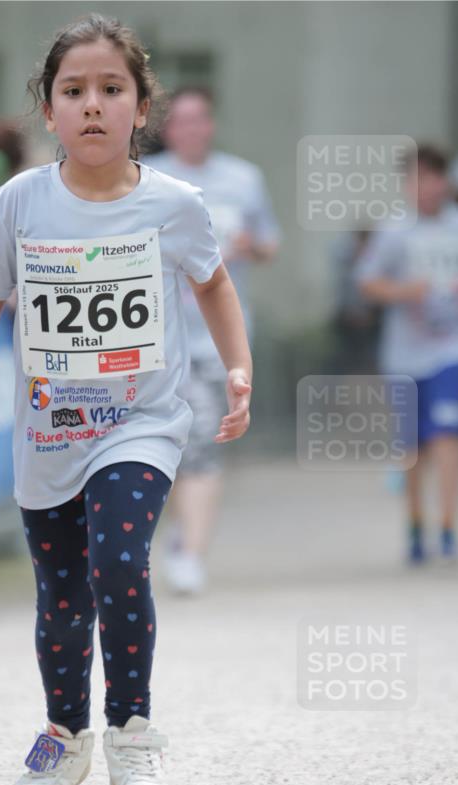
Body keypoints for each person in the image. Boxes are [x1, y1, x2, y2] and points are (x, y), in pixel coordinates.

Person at [0, 14, 252, 785]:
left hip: (140, 422)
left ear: (140, 108)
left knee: (118, 564)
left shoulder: (176, 204)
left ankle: (133, 735)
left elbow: (213, 282)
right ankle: (61, 738)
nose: (92, 105)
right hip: (47, 434)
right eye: (73, 90)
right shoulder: (18, 202)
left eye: (112, 89)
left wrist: (239, 365)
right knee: (62, 597)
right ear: (48, 110)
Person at [144, 88, 280, 593]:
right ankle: (182, 535)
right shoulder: (148, 179)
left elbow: (270, 243)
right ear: (168, 127)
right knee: (172, 445)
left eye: (200, 119)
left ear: (211, 124)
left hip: (218, 338)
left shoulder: (243, 178)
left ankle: (189, 551)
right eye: (181, 121)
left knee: (203, 439)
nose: (192, 128)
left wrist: (250, 248)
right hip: (156, 337)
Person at [355, 144, 458, 564]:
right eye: (414, 180)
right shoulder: (394, 231)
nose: (423, 188)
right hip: (405, 354)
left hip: (454, 347)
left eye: (431, 178)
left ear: (445, 181)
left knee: (450, 433)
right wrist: (404, 291)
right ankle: (416, 522)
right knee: (412, 446)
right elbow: (367, 282)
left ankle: (448, 525)